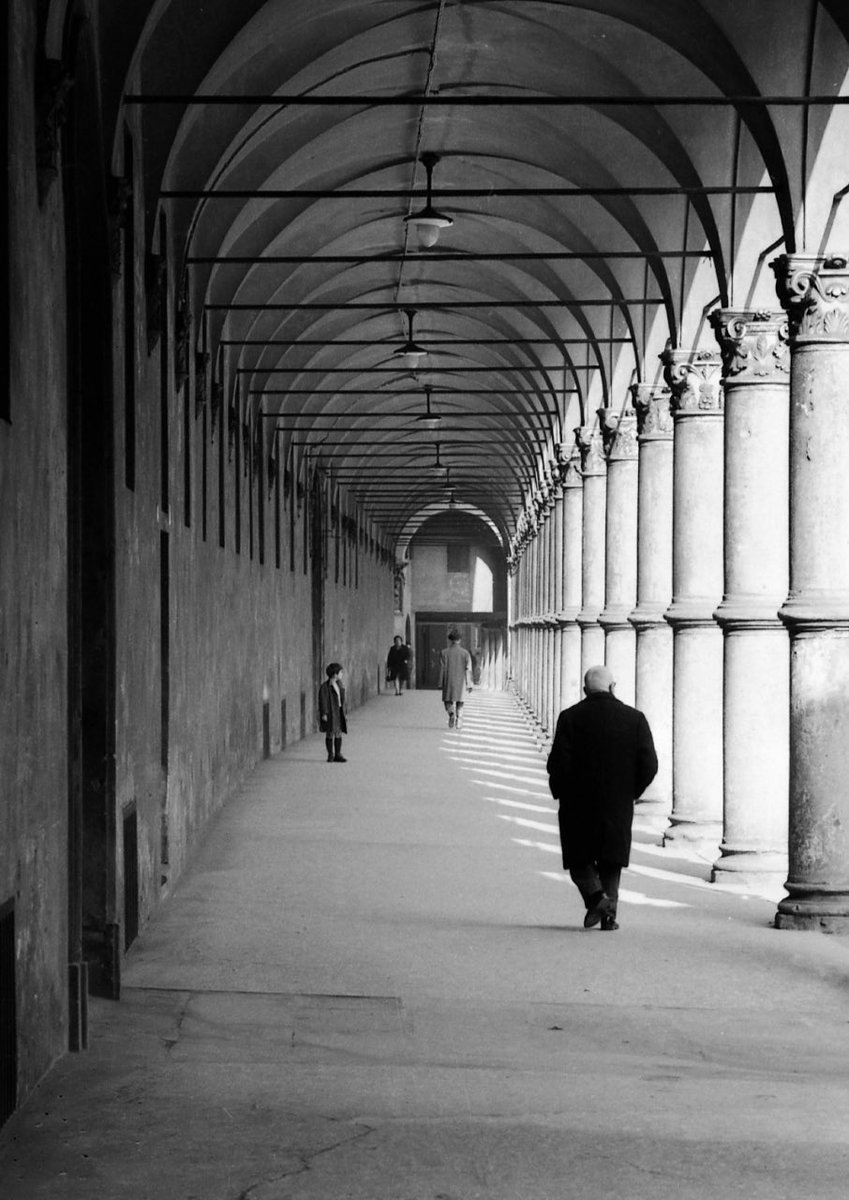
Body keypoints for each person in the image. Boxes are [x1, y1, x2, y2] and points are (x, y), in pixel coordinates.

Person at [546, 664, 657, 931]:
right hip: (616, 803)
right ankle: (609, 916)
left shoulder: (569, 717)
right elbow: (650, 763)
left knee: (579, 861)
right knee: (610, 862)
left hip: (577, 803)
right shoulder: (635, 719)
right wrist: (632, 791)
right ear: (612, 687)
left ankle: (597, 899)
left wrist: (561, 791)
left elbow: (557, 763)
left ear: (585, 690)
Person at [438, 629, 473, 730]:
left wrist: (440, 682)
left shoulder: (444, 653)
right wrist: (469, 684)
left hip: (448, 681)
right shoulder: (465, 653)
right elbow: (468, 669)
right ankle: (459, 722)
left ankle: (451, 714)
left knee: (448, 701)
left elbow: (442, 668)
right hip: (460, 682)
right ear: (460, 640)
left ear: (450, 640)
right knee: (460, 702)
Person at [318, 662, 348, 762]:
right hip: (331, 712)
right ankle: (330, 754)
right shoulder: (325, 687)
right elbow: (323, 700)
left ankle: (338, 754)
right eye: (340, 672)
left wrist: (345, 712)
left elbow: (343, 700)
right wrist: (324, 713)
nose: (342, 674)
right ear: (335, 674)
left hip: (338, 711)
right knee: (330, 732)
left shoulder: (339, 684)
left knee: (338, 732)